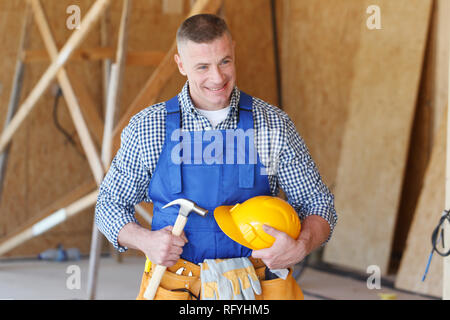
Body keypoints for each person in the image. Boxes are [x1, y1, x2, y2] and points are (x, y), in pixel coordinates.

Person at [95, 13, 337, 300]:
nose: (217, 77)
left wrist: (301, 246)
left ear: (233, 50)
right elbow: (109, 204)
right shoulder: (149, 128)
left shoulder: (272, 124)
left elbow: (318, 203)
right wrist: (145, 240)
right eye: (202, 67)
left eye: (225, 61)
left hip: (256, 287)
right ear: (181, 64)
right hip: (177, 286)